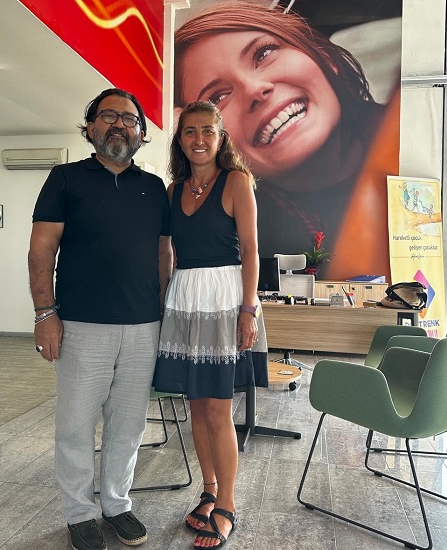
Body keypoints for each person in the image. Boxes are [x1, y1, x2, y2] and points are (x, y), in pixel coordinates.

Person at [28, 88, 172, 550]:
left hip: (144, 326)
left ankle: (116, 504)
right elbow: (41, 250)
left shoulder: (154, 188)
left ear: (141, 134)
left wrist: (163, 311)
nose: (119, 125)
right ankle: (79, 513)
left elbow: (163, 254)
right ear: (90, 127)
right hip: (81, 327)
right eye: (108, 116)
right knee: (75, 426)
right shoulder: (65, 178)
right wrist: (45, 313)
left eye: (130, 119)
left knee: (128, 426)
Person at [174, 2, 396, 280]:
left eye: (264, 54)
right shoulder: (231, 209)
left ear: (323, 56)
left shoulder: (403, 135)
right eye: (217, 97)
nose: (255, 89)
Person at [152, 100, 268, 549]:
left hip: (224, 299)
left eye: (207, 131)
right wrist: (163, 300)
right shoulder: (172, 190)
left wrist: (248, 309)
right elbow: (166, 252)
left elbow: (252, 251)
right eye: (189, 131)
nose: (198, 139)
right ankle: (209, 490)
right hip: (185, 300)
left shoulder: (236, 181)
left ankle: (228, 506)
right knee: (196, 406)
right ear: (180, 140)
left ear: (221, 138)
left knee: (218, 408)